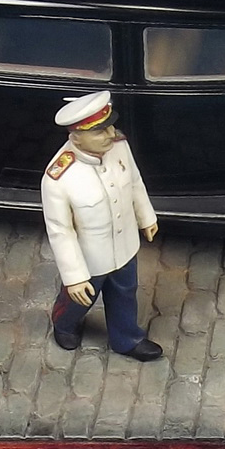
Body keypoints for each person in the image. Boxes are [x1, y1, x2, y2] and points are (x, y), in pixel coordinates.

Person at [40, 91, 163, 360]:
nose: (109, 134)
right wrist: (74, 277)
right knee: (80, 298)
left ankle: (126, 339)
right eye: (99, 132)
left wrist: (146, 217)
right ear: (76, 137)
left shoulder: (119, 146)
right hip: (90, 257)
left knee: (125, 292)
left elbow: (134, 182)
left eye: (109, 126)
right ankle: (64, 323)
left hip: (125, 245)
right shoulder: (59, 178)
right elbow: (60, 231)